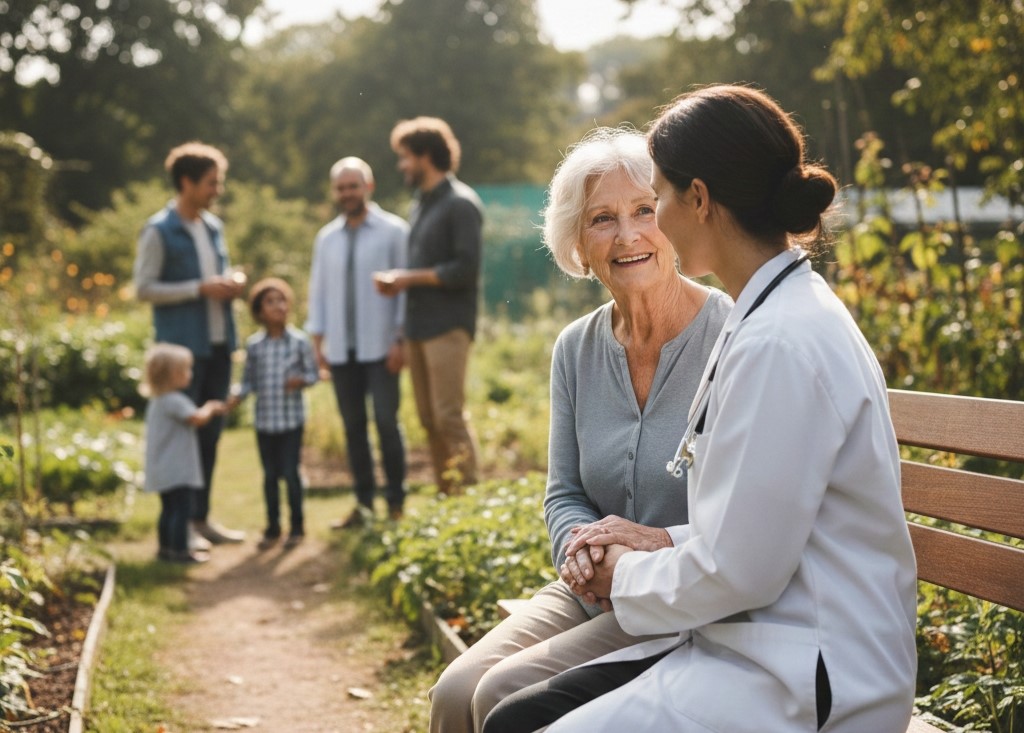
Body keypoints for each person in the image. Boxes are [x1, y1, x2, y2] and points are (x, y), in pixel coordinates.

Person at [483, 85, 919, 733]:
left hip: (810, 671)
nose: (647, 221)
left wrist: (623, 569)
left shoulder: (778, 339)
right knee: (516, 713)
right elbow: (757, 531)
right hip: (762, 640)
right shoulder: (774, 313)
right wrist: (649, 541)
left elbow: (738, 568)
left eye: (654, 197)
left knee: (521, 724)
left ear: (699, 200)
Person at [428, 127, 731, 733]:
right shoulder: (576, 348)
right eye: (602, 219)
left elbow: (746, 520)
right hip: (591, 588)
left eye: (645, 210)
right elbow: (563, 492)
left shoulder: (730, 337)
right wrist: (583, 553)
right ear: (577, 243)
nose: (628, 236)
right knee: (453, 692)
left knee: (501, 695)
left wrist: (642, 548)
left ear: (673, 218)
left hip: (681, 596)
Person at [133, 141, 246, 548]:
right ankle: (178, 530)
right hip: (182, 351)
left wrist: (232, 283)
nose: (217, 190)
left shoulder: (213, 227)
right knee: (184, 441)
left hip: (218, 345)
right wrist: (199, 288)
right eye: (212, 183)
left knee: (210, 436)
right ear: (187, 182)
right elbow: (144, 289)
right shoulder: (158, 230)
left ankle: (200, 520)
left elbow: (219, 272)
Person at [375, 117, 483, 495]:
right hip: (419, 327)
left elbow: (464, 270)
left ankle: (466, 500)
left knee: (448, 417)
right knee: (427, 419)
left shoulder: (461, 204)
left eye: (405, 157)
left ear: (425, 156)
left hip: (448, 325)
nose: (401, 165)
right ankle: (446, 496)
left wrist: (405, 278)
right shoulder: (420, 205)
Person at [305, 157, 409, 527]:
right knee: (353, 429)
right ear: (335, 192)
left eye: (354, 186)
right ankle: (364, 506)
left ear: (369, 186)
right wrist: (317, 344)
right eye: (341, 188)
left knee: (385, 422)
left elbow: (405, 291)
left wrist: (401, 338)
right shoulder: (326, 238)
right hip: (340, 349)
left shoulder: (394, 230)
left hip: (382, 346)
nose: (347, 193)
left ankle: (396, 504)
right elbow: (317, 292)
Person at [228, 278, 320, 550]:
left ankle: (297, 527)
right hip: (265, 422)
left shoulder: (300, 342)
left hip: (291, 420)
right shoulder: (255, 346)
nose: (278, 306)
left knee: (291, 473)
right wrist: (236, 395)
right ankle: (272, 527)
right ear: (259, 311)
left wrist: (300, 380)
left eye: (282, 300)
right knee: (269, 476)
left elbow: (314, 374)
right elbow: (248, 381)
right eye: (270, 302)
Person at [141, 343, 226, 564]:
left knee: (168, 510)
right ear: (173, 375)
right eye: (187, 369)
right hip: (177, 470)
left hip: (162, 469)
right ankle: (180, 552)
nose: (191, 374)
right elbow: (197, 419)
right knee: (182, 511)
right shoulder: (175, 400)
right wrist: (211, 408)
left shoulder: (157, 401)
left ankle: (165, 549)